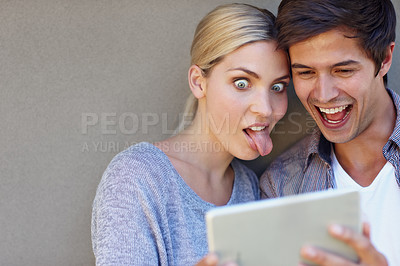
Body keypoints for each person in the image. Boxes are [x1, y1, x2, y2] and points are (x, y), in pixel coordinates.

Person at [91, 3, 290, 265]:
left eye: (277, 87)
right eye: (242, 83)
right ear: (199, 82)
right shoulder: (136, 177)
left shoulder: (250, 188)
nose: (265, 109)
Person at [261, 0, 399, 265]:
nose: (323, 94)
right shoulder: (280, 186)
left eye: (343, 70)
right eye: (306, 72)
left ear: (385, 59)